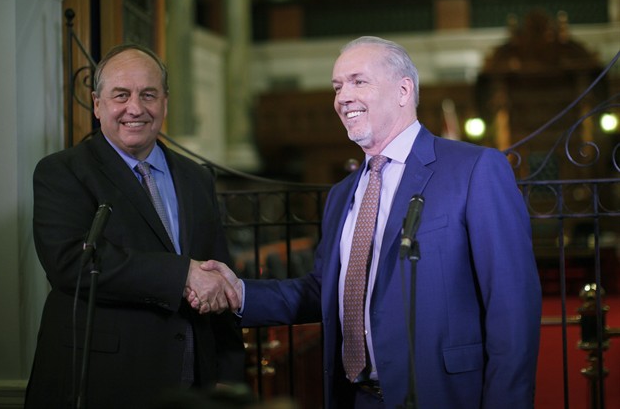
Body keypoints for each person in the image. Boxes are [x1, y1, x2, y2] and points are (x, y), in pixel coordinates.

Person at [189, 36, 542, 409]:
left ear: (404, 90)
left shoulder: (473, 170)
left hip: (444, 395)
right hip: (356, 399)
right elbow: (323, 292)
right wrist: (239, 293)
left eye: (359, 81)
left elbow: (512, 306)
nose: (343, 97)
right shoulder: (343, 193)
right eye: (338, 86)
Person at [25, 44, 245, 409]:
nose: (135, 108)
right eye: (121, 95)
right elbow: (71, 263)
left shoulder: (196, 178)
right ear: (97, 104)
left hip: (197, 383)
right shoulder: (62, 172)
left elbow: (217, 275)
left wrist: (228, 373)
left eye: (148, 95)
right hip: (104, 381)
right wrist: (182, 275)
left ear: (165, 102)